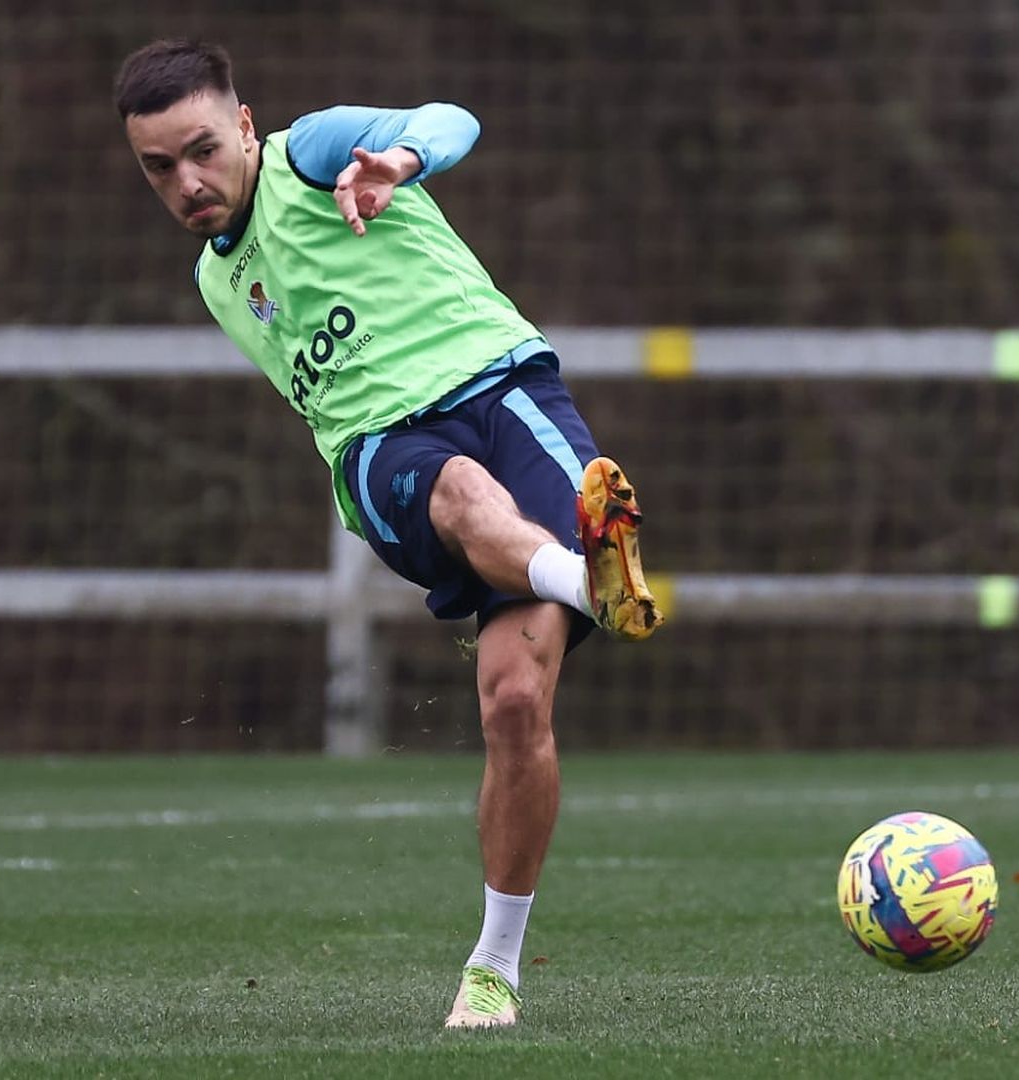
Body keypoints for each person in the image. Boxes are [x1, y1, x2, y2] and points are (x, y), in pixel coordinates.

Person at [114, 39, 662, 1029]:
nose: (187, 181)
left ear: (243, 126)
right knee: (454, 490)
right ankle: (594, 584)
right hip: (380, 451)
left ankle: (493, 970)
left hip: (501, 386)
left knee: (512, 701)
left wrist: (396, 162)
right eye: (159, 166)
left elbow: (450, 119)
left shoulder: (313, 151)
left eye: (201, 149)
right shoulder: (214, 281)